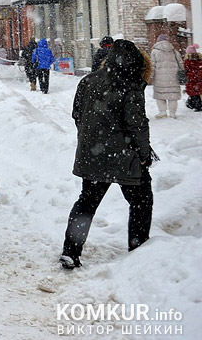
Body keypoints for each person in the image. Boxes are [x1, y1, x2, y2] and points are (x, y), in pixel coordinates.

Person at [59, 39, 153, 270]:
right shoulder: (130, 86)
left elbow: (77, 114)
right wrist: (144, 154)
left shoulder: (88, 81)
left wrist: (92, 138)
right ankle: (139, 249)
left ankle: (71, 252)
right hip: (124, 156)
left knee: (87, 203)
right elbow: (137, 125)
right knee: (141, 200)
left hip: (91, 154)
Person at [149, 34, 183, 119]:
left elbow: (152, 65)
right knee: (172, 96)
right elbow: (181, 64)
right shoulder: (174, 51)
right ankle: (172, 113)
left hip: (159, 78)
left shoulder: (155, 51)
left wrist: (150, 76)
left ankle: (162, 112)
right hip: (173, 77)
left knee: (160, 95)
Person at [184, 44, 202, 112]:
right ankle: (198, 104)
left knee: (193, 92)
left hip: (192, 79)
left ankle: (196, 104)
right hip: (199, 78)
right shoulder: (200, 60)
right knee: (199, 91)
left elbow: (186, 70)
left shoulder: (187, 61)